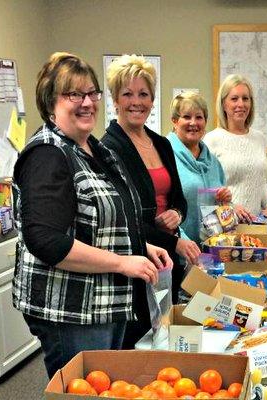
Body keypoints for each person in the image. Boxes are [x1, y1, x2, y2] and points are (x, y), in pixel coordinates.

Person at [12, 52, 172, 379]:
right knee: (82, 391)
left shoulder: (93, 149)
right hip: (72, 311)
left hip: (104, 304)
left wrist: (140, 246)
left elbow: (110, 218)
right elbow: (47, 241)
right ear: (50, 101)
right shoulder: (48, 154)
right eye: (74, 94)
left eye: (91, 93)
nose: (86, 102)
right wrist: (122, 262)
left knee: (105, 387)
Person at [101, 55, 201, 331]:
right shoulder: (108, 149)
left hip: (169, 258)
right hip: (136, 261)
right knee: (142, 341)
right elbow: (123, 217)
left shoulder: (161, 143)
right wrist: (175, 243)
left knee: (168, 331)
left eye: (143, 94)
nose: (137, 101)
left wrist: (177, 214)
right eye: (127, 94)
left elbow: (179, 197)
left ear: (152, 99)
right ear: (115, 100)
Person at [204, 74, 267, 222]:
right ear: (224, 104)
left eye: (245, 98)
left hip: (256, 226)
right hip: (225, 226)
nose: (241, 104)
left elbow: (260, 180)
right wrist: (231, 206)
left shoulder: (260, 139)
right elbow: (206, 188)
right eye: (234, 98)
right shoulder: (212, 140)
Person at [167, 91, 232, 246]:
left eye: (199, 117)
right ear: (175, 121)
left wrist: (225, 202)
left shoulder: (213, 162)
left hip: (211, 252)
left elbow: (222, 211)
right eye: (187, 116)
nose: (193, 123)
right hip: (177, 251)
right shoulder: (164, 155)